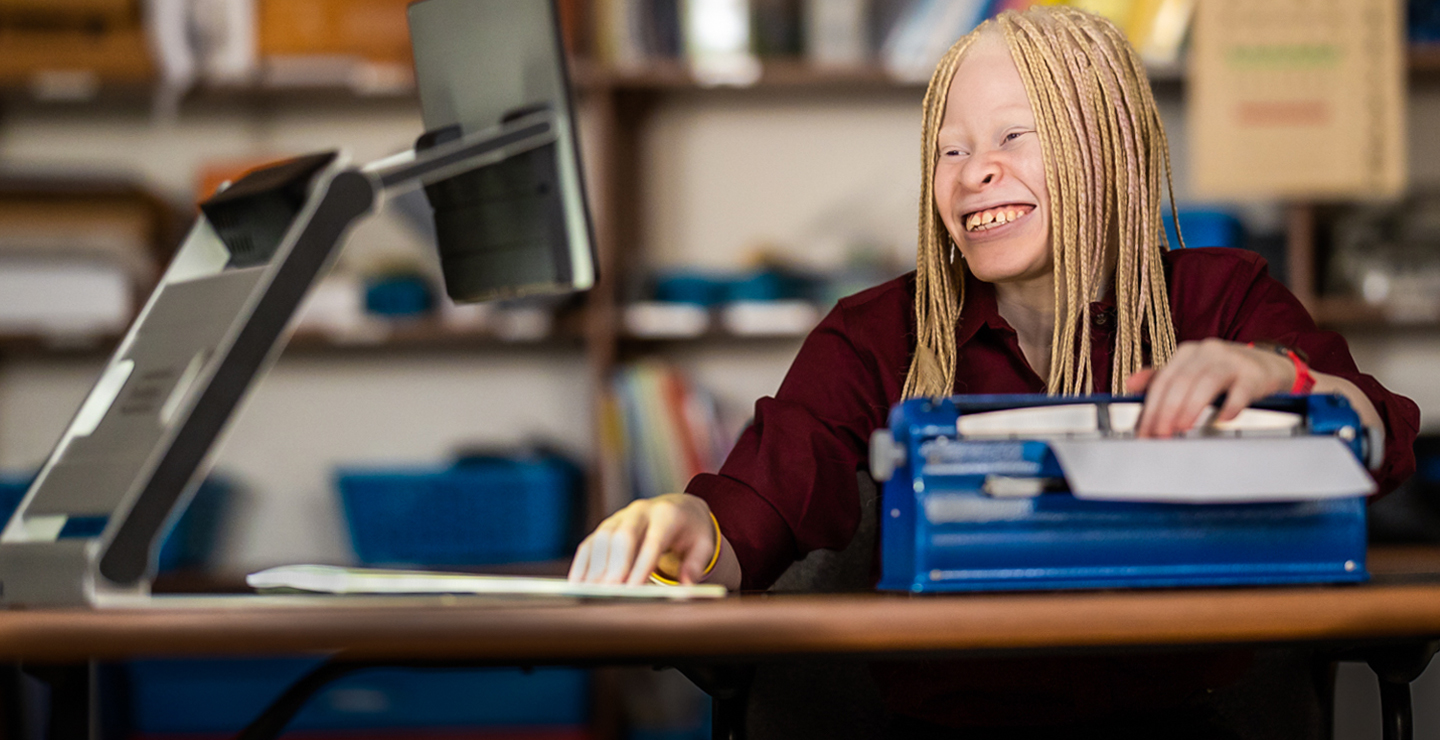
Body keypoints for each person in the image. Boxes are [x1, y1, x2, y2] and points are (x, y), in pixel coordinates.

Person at [570, 5, 1421, 734]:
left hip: (1186, 722)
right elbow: (754, 509)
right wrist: (686, 529)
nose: (975, 171)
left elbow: (1378, 440)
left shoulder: (1222, 297)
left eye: (1016, 135)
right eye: (950, 150)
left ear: (1112, 148)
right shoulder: (873, 337)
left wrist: (1287, 380)